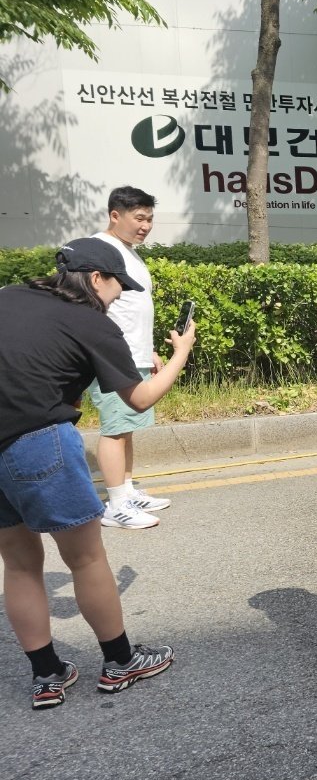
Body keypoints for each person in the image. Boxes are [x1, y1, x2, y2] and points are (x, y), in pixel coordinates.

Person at [0, 238, 194, 709]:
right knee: (85, 559)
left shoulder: (9, 295)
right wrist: (180, 355)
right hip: (38, 440)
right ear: (94, 278)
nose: (118, 296)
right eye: (117, 286)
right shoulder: (91, 321)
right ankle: (121, 661)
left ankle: (47, 675)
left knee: (19, 564)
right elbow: (139, 399)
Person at [86, 187, 168, 530]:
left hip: (134, 353)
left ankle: (128, 491)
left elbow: (132, 309)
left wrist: (148, 349)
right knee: (115, 428)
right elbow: (91, 306)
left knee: (128, 426)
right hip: (112, 356)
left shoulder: (129, 252)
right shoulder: (99, 250)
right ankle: (117, 504)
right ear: (115, 215)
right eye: (139, 218)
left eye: (149, 219)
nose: (145, 226)